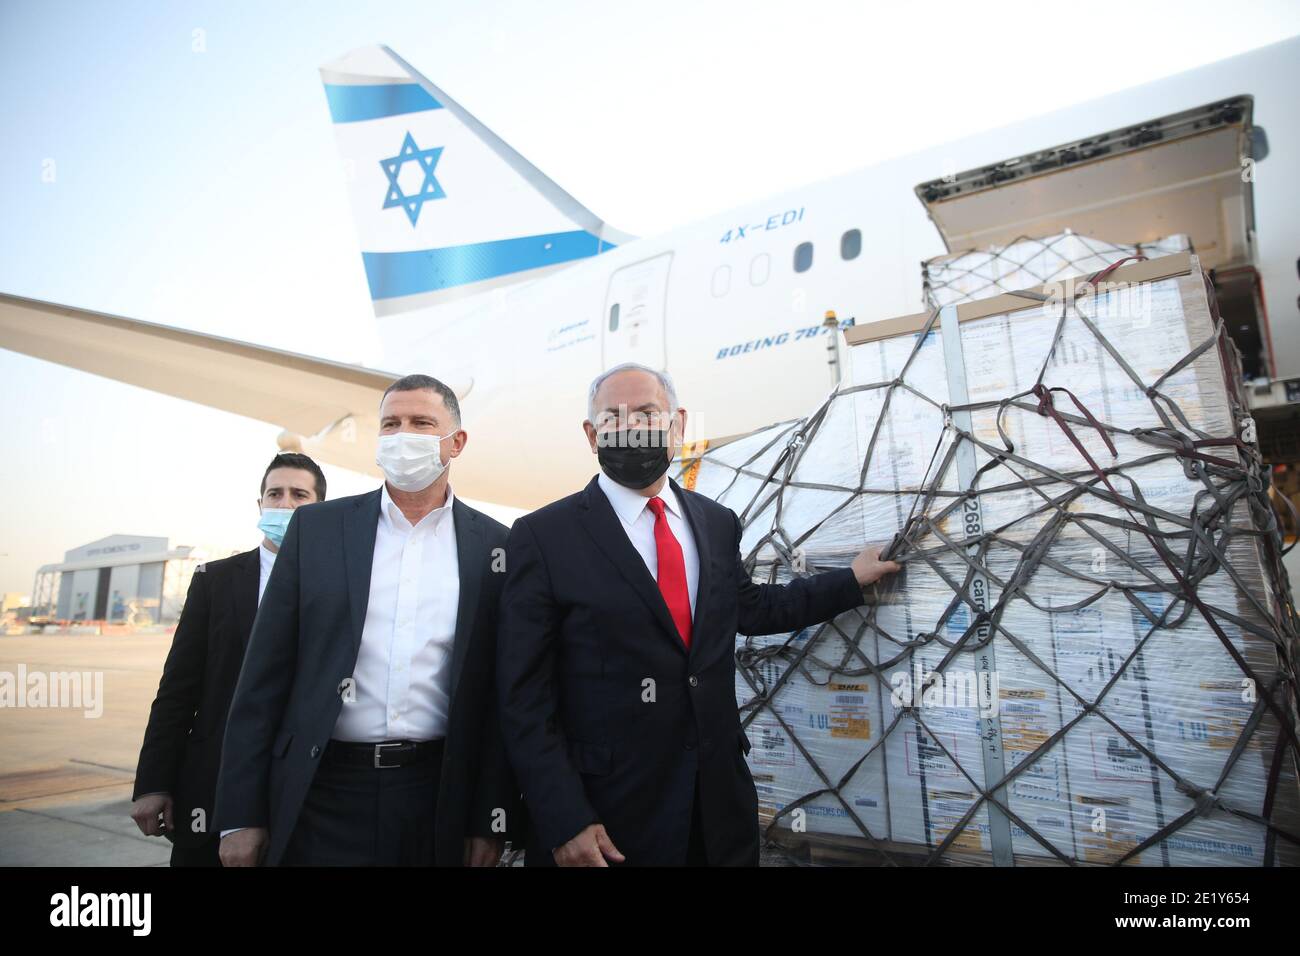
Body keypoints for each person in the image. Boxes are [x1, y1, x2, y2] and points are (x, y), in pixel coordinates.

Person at [497, 362, 902, 866]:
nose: (632, 428)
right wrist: (564, 817)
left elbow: (750, 608)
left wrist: (849, 582)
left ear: (678, 423)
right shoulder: (543, 536)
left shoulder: (714, 521)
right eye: (613, 418)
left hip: (716, 807)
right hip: (609, 817)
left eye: (647, 413)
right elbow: (523, 698)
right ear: (590, 433)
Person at [215, 374, 516, 866]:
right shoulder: (317, 531)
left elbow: (500, 700)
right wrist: (240, 815)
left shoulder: (496, 547)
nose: (403, 435)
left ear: (456, 442)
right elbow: (261, 682)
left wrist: (489, 817)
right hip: (324, 790)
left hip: (437, 794)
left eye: (421, 423)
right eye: (391, 424)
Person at [130, 453, 326, 866]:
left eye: (299, 494)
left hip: (307, 796)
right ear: (259, 506)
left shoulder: (340, 585)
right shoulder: (215, 581)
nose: (285, 504)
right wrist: (153, 782)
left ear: (321, 508)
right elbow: (177, 690)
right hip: (212, 789)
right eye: (274, 494)